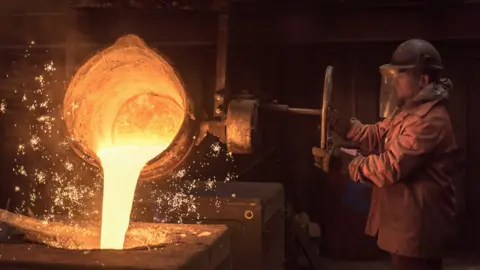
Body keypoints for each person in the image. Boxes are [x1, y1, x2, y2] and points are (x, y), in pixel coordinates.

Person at [313, 39, 459, 270]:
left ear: (422, 80)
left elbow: (390, 168)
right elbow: (379, 134)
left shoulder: (429, 121)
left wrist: (345, 164)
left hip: (418, 227)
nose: (394, 82)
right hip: (406, 222)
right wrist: (343, 126)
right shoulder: (410, 111)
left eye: (401, 75)